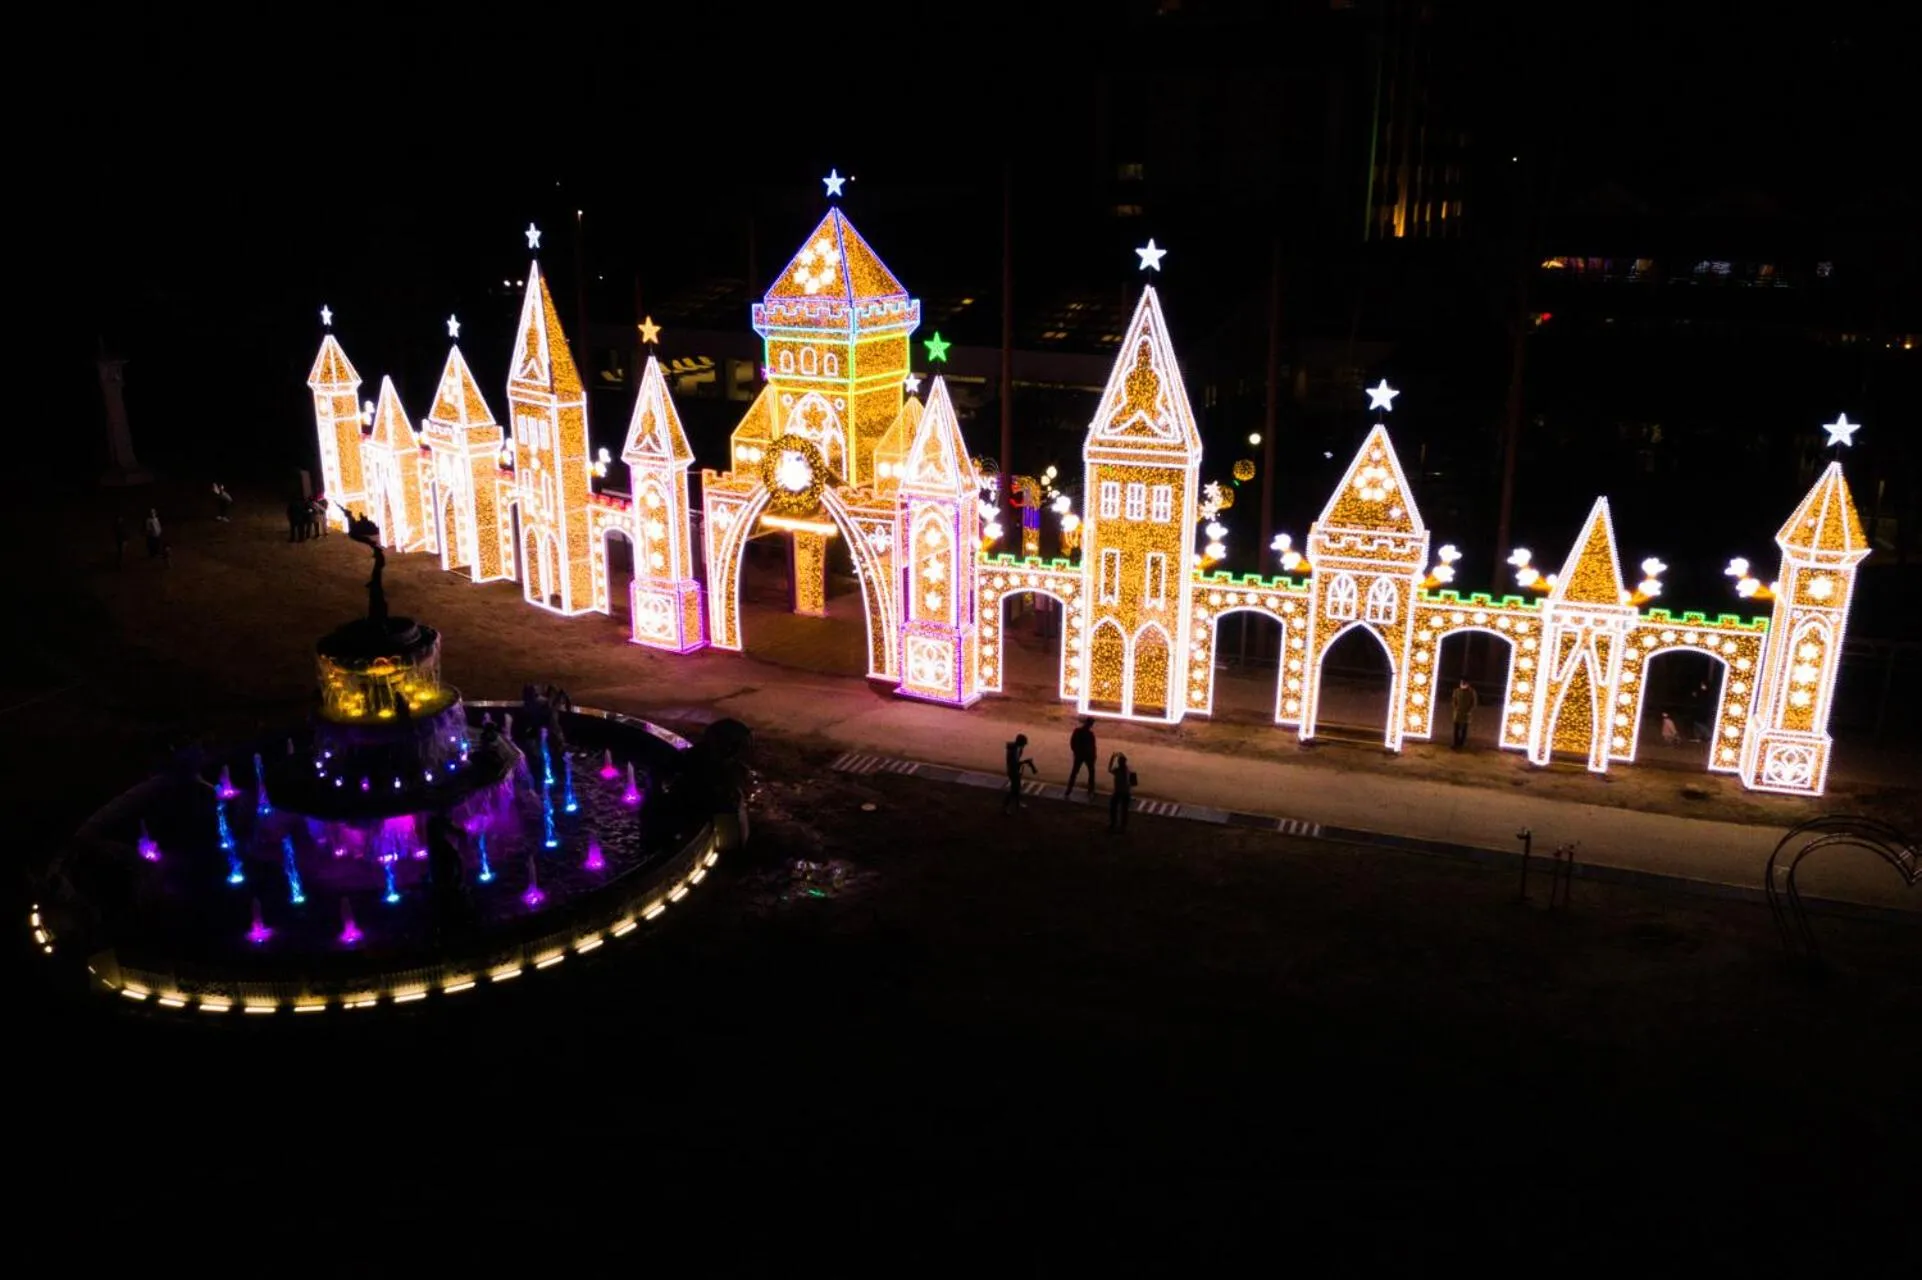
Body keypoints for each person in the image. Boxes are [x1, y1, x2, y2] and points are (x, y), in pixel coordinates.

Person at [1001, 733, 1038, 813]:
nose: (1024, 746)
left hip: (1014, 770)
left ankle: (1017, 803)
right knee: (1014, 789)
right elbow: (1014, 763)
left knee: (1017, 788)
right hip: (1013, 771)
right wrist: (1025, 762)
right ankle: (1005, 806)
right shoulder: (1014, 751)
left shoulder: (1016, 749)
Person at [1067, 716, 1098, 798]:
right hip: (1087, 756)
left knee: (1074, 773)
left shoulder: (1077, 731)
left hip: (1079, 755)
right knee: (1091, 773)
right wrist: (1093, 756)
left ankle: (1069, 790)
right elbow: (1093, 747)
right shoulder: (1090, 734)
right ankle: (1090, 791)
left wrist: (1076, 751)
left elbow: (1072, 743)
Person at [1108, 752, 1135, 831]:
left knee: (1114, 808)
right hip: (1126, 793)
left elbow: (1109, 769)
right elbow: (1133, 783)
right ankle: (1122, 826)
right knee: (1124, 811)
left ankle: (1114, 824)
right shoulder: (1128, 770)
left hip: (1118, 792)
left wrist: (1112, 757)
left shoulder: (1117, 770)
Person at [1450, 678, 1478, 749]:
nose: (1463, 684)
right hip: (1458, 713)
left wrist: (1469, 710)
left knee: (1464, 729)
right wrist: (1455, 708)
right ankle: (1456, 743)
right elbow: (1453, 700)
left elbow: (1474, 703)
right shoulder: (1456, 691)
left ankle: (1461, 744)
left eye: (1464, 682)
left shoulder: (1471, 692)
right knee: (1456, 729)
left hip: (1466, 713)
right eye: (1462, 682)